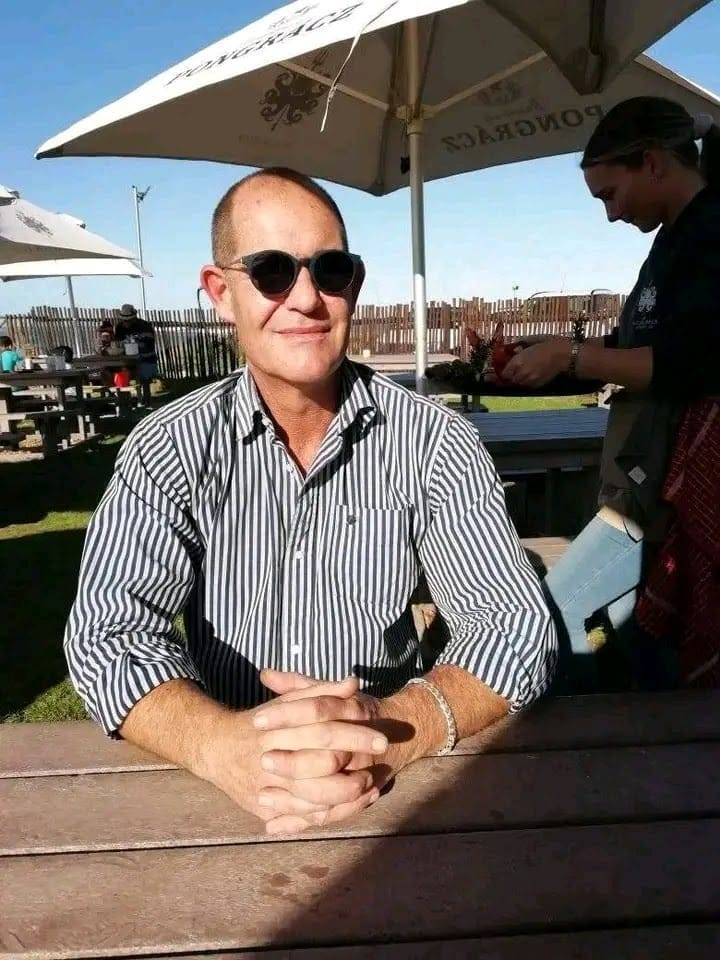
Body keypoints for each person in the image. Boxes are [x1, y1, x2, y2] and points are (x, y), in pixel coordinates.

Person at [65, 167, 556, 836]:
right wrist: (223, 744)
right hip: (227, 792)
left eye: (330, 270)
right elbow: (108, 633)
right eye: (271, 271)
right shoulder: (169, 448)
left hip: (401, 785)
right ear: (220, 292)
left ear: (353, 284)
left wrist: (392, 729)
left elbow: (514, 625)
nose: (306, 299)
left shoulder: (433, 441)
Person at [499, 97, 720, 689]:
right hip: (645, 487)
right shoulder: (672, 241)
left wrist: (571, 357)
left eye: (610, 195)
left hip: (677, 497)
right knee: (624, 634)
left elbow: (691, 363)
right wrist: (553, 355)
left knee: (557, 621)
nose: (611, 215)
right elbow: (632, 345)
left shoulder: (711, 234)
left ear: (653, 163)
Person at [115, 303, 158, 404]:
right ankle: (124, 401)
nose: (126, 322)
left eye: (128, 320)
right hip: (127, 361)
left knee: (143, 372)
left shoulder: (145, 326)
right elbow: (117, 344)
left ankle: (146, 400)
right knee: (117, 372)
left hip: (146, 359)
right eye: (124, 320)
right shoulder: (119, 328)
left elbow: (149, 346)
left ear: (134, 318)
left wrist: (135, 346)